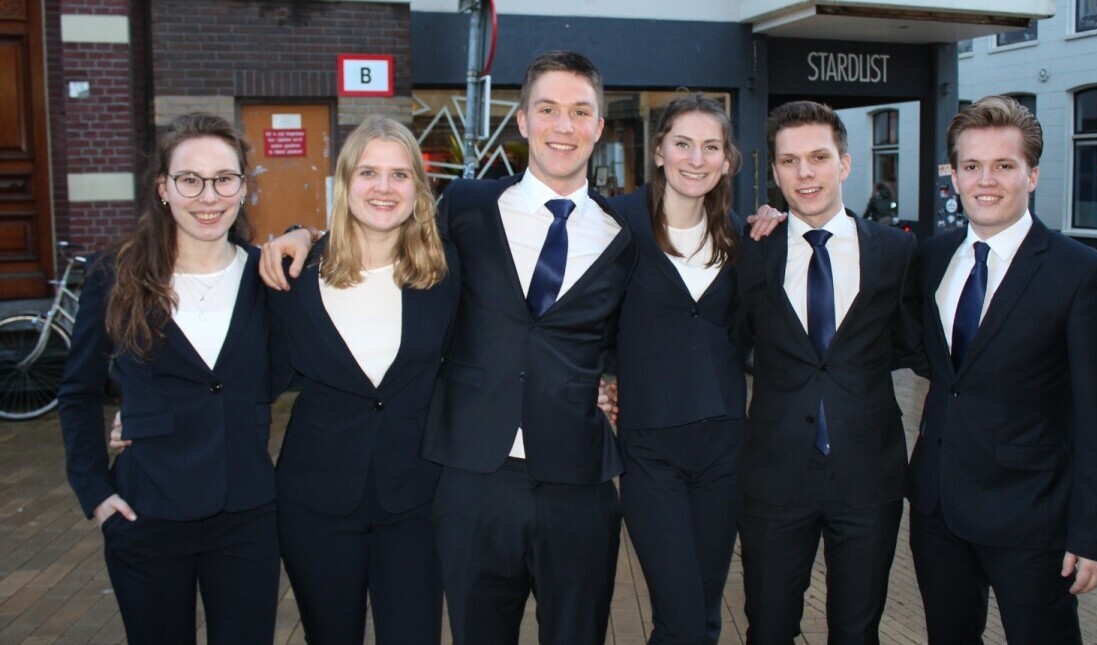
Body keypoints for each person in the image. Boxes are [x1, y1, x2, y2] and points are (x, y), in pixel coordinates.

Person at [259, 50, 636, 645]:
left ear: (598, 126)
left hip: (578, 479)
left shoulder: (625, 233)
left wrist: (610, 384)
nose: (563, 125)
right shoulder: (466, 207)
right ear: (521, 120)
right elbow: (382, 226)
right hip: (470, 477)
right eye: (547, 109)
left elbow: (636, 330)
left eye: (579, 111)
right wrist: (306, 235)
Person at [908, 95, 1097, 644]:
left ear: (1032, 175)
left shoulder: (1081, 273)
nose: (986, 181)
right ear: (954, 175)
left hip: (1032, 519)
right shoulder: (932, 258)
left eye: (1004, 165)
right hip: (938, 512)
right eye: (971, 166)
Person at [59, 113, 281, 643]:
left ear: (243, 187)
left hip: (246, 516)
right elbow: (78, 391)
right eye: (190, 180)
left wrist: (305, 234)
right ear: (163, 187)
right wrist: (95, 491)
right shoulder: (116, 275)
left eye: (224, 179)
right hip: (147, 514)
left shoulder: (270, 276)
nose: (209, 196)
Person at [267, 116, 459, 643]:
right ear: (345, 181)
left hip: (416, 502)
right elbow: (248, 375)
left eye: (400, 175)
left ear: (419, 188)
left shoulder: (445, 270)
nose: (383, 188)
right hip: (316, 503)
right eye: (368, 172)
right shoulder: (296, 273)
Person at [736, 101, 921, 644]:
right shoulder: (751, 251)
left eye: (818, 157)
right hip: (773, 478)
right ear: (774, 173)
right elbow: (728, 341)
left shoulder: (897, 251)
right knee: (768, 629)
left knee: (857, 631)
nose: (804, 173)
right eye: (789, 161)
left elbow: (914, 344)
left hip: (868, 477)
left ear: (844, 163)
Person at [607, 93, 746, 644]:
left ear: (727, 160)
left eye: (711, 147)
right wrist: (596, 379)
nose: (696, 159)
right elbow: (580, 317)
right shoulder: (617, 223)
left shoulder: (742, 235)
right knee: (681, 617)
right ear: (659, 150)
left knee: (705, 616)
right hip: (651, 448)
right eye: (683, 144)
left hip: (724, 446)